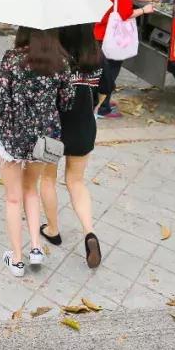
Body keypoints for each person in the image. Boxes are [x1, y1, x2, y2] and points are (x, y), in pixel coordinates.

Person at [0, 27, 74, 277]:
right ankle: (36, 248)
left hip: (12, 135)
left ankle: (16, 260)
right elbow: (67, 101)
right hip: (45, 139)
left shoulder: (13, 59)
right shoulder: (62, 61)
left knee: (13, 198)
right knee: (31, 191)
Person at [37, 24, 103, 268]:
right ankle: (89, 232)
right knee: (76, 181)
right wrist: (92, 108)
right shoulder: (95, 55)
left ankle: (53, 229)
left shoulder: (50, 58)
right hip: (84, 126)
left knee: (47, 180)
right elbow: (104, 92)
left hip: (52, 129)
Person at [93, 0, 155, 118]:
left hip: (98, 33)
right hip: (111, 37)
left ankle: (100, 102)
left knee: (100, 72)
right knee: (110, 73)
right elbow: (125, 13)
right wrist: (144, 9)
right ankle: (103, 107)